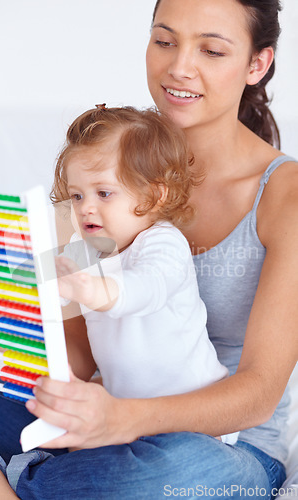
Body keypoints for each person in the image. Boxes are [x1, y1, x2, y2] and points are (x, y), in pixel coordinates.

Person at [0, 0, 297, 498]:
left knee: (173, 469)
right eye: (165, 40)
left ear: (257, 64)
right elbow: (76, 352)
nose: (179, 66)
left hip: (223, 448)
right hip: (103, 416)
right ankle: (29, 477)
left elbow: (260, 394)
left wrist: (120, 420)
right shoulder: (107, 166)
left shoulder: (284, 194)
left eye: (212, 50)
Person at [51, 106, 236, 447]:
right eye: (77, 195)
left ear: (155, 195)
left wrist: (92, 290)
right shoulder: (86, 249)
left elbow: (147, 288)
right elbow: (44, 306)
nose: (85, 207)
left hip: (196, 423)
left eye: (104, 193)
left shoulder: (163, 241)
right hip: (129, 421)